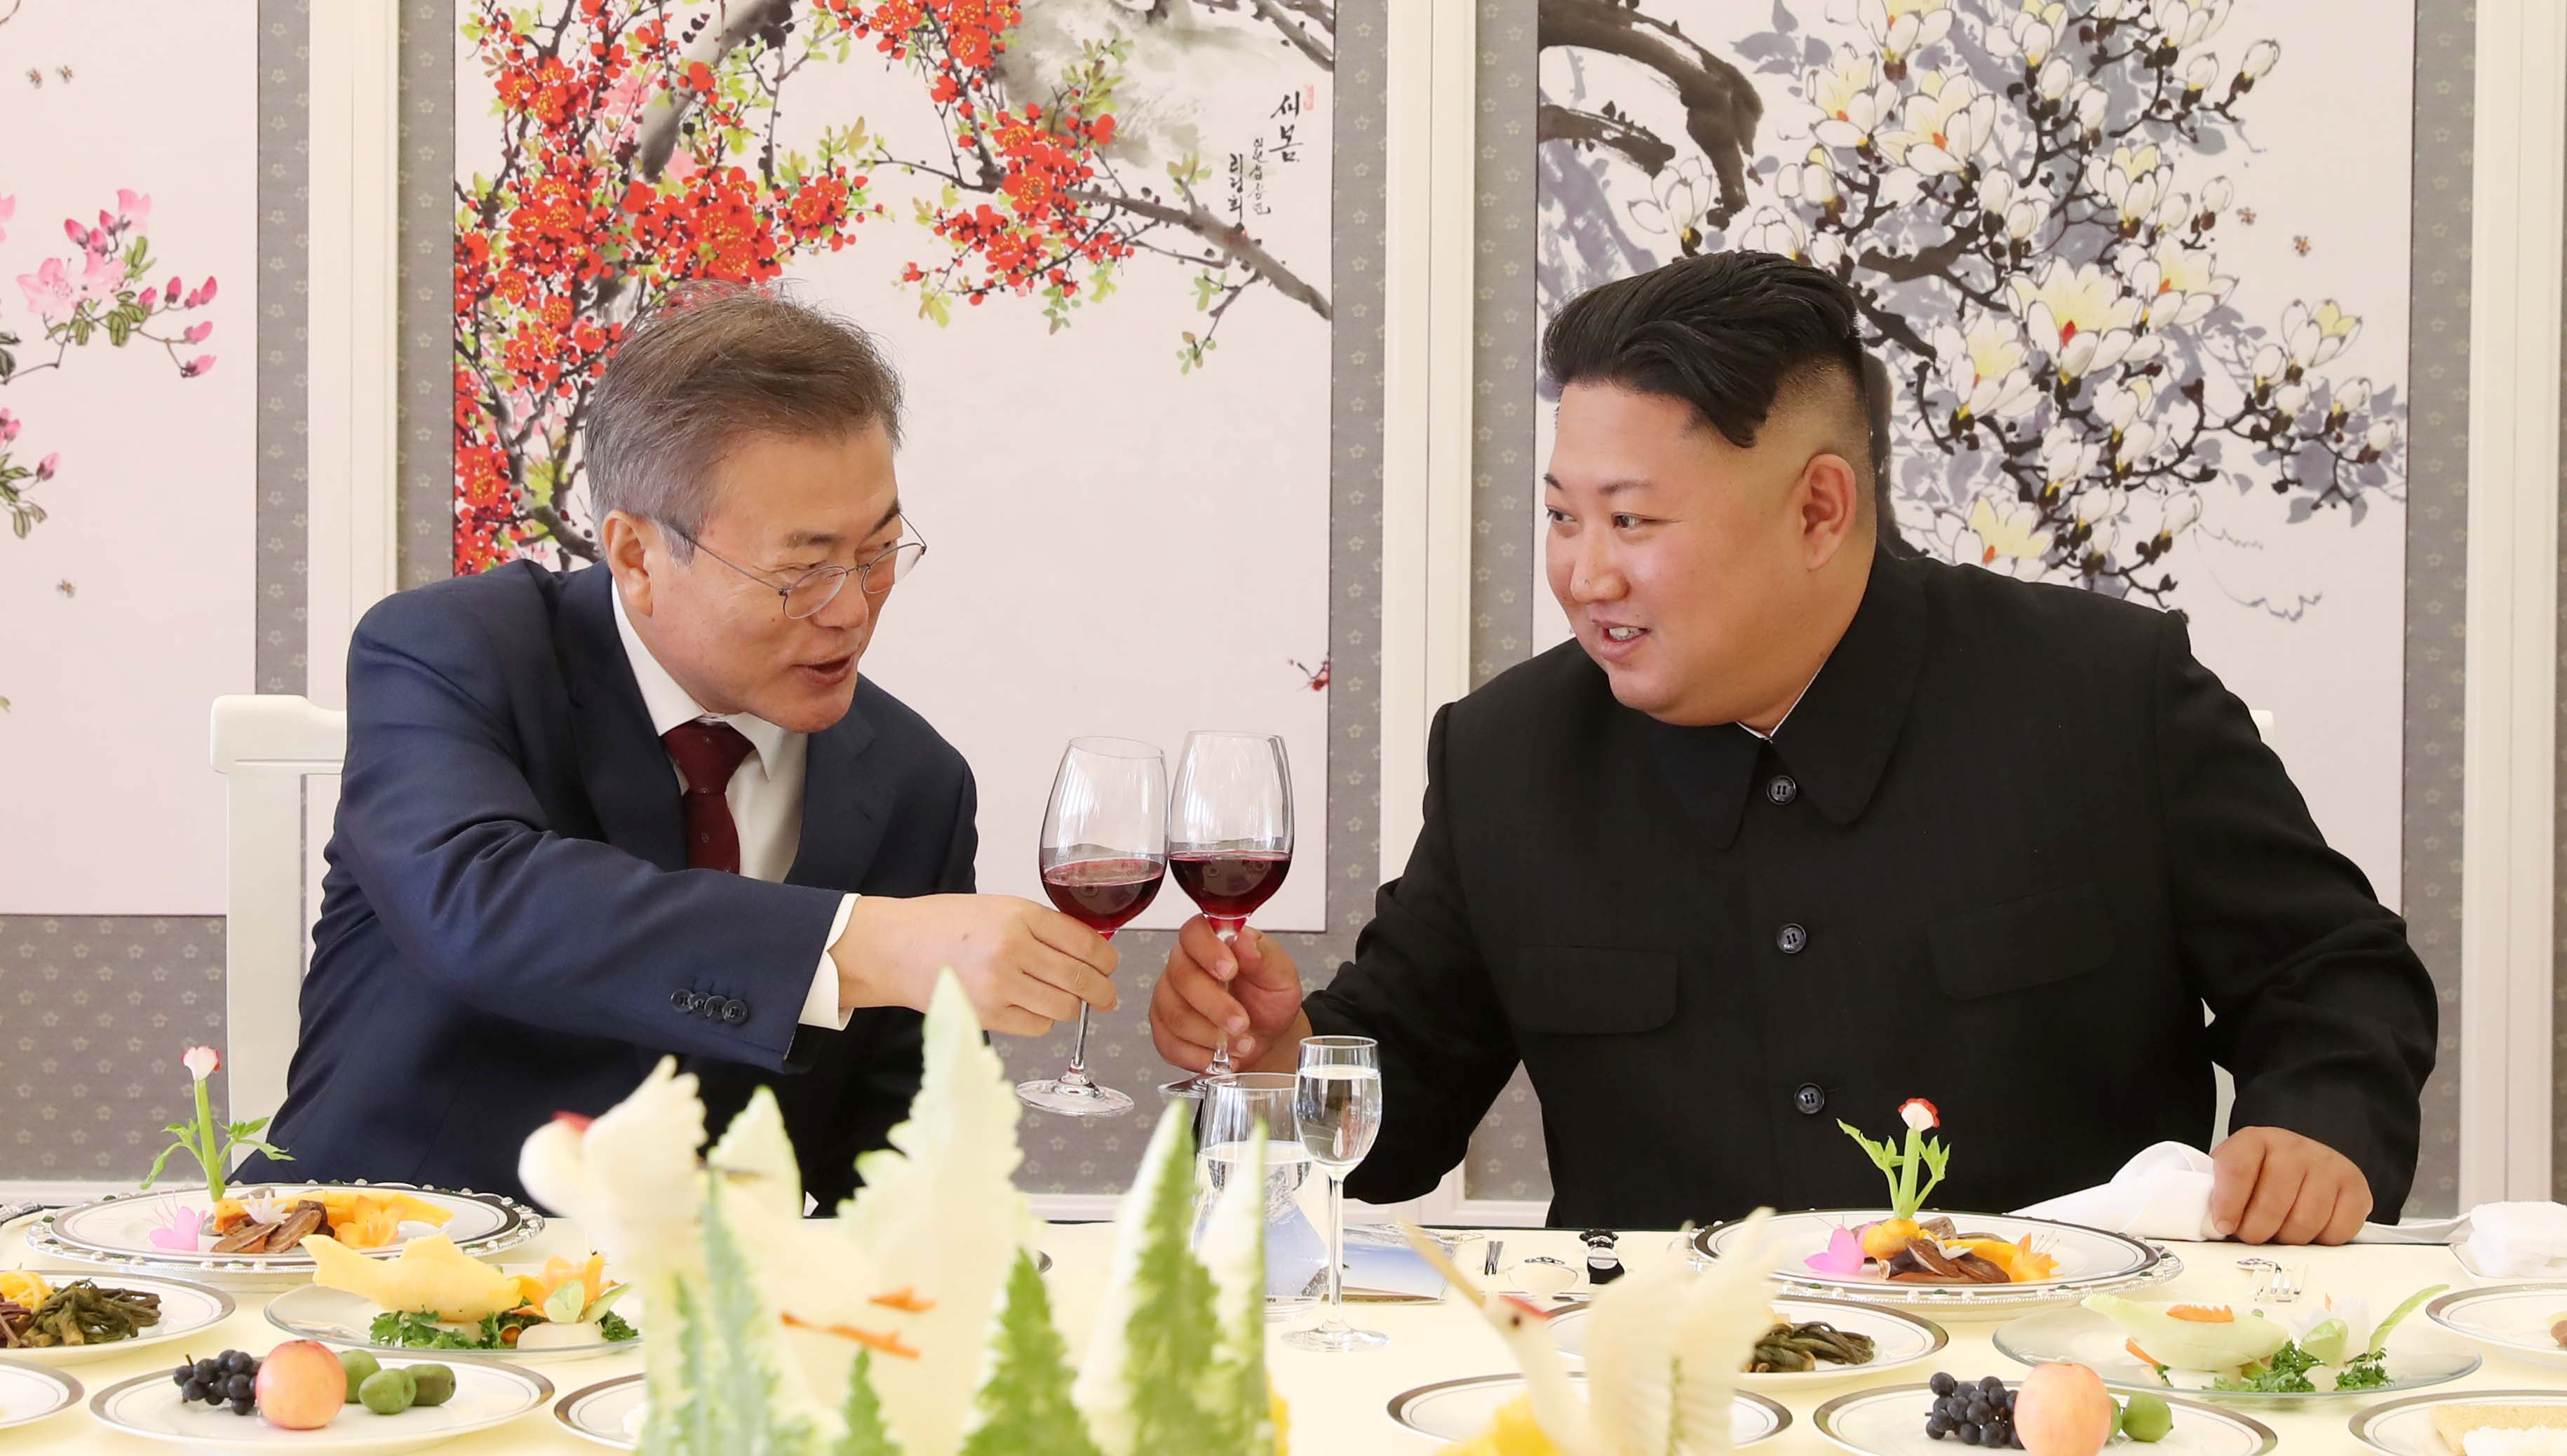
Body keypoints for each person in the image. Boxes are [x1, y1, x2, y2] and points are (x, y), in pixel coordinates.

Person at [1150, 251, 2437, 1243]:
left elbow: (2336, 975)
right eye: (1561, 516)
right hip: (1666, 1397)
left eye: (1633, 520)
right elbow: (1401, 1093)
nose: (1584, 573)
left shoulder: (2110, 696)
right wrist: (1277, 1062)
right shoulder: (1508, 756)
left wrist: (2312, 1126)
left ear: (1820, 507)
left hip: (2065, 1381)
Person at [251, 283, 1119, 1206]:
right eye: (802, 568)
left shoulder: (916, 780)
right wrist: (862, 943)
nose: (854, 608)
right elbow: (473, 897)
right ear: (634, 556)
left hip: (709, 1319)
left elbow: (895, 1151)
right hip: (370, 1265)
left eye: (879, 551)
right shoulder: (452, 652)